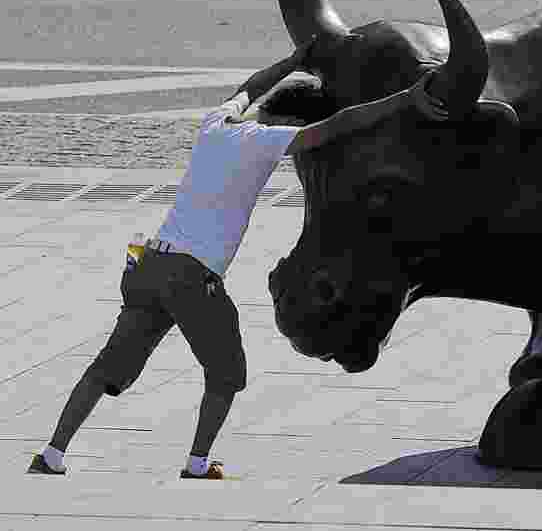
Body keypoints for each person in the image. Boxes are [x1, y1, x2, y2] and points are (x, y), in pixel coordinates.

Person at [26, 38, 349, 479]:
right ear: (289, 122)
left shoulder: (217, 122)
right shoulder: (266, 139)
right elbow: (333, 128)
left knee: (107, 367)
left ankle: (50, 454)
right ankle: (198, 464)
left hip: (146, 262)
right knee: (227, 371)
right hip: (191, 276)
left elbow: (250, 86)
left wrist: (293, 61)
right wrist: (404, 102)